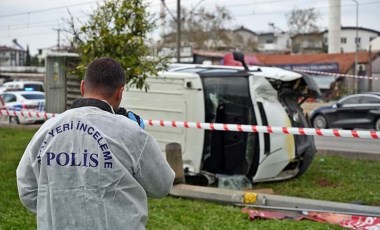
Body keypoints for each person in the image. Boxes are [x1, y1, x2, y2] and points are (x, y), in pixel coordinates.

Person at [16, 57, 175, 230]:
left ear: (83, 86)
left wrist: (64, 210)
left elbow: (27, 190)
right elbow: (162, 186)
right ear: (120, 93)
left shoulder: (46, 130)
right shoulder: (132, 133)